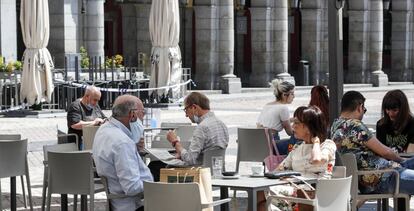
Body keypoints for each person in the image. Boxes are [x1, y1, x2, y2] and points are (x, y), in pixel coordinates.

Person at [331, 90, 414, 197]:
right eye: (363, 110)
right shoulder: (356, 126)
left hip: (369, 179)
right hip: (385, 177)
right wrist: (402, 160)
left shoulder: (335, 126)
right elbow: (385, 152)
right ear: (359, 107)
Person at [265, 106, 336, 211]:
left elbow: (317, 160)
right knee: (260, 193)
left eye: (296, 123)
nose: (292, 127)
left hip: (315, 195)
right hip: (298, 192)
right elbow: (280, 169)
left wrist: (316, 141)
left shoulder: (327, 145)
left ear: (308, 127)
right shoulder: (297, 147)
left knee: (267, 194)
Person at [149, 92, 229, 181]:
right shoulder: (222, 124)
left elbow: (190, 160)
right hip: (216, 170)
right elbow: (208, 151)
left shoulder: (202, 127)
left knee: (154, 166)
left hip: (199, 172)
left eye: (186, 110)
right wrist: (182, 153)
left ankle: (160, 193)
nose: (186, 115)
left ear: (194, 107)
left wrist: (175, 142)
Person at [93, 95, 153, 211]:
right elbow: (132, 187)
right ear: (133, 115)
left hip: (116, 200)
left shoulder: (104, 129)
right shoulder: (122, 142)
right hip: (133, 205)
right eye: (143, 112)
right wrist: (156, 186)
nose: (143, 117)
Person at [256, 79, 296, 154]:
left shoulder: (267, 105)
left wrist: (292, 120)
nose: (294, 96)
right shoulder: (283, 108)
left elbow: (273, 122)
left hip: (259, 143)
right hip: (271, 143)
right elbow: (289, 132)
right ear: (284, 95)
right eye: (292, 94)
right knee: (297, 141)